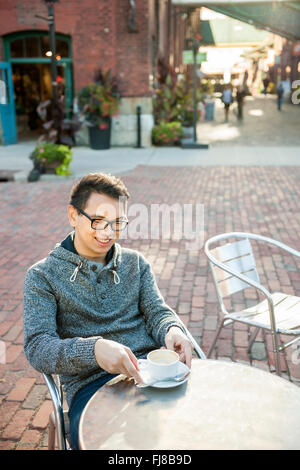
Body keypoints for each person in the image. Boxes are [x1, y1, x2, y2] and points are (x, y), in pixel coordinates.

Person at [23, 172, 192, 450]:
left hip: (155, 374)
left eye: (117, 223)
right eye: (98, 221)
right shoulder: (42, 277)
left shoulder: (135, 264)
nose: (108, 232)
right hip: (93, 389)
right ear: (73, 215)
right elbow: (38, 348)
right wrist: (94, 351)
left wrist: (172, 329)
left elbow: (157, 312)